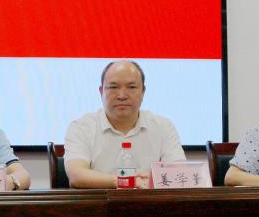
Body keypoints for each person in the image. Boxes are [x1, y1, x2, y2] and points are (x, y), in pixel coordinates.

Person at [64, 60, 185, 189]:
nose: (122, 96)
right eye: (113, 87)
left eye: (131, 87)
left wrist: (151, 180)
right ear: (101, 91)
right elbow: (76, 176)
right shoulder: (81, 127)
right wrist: (123, 181)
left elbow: (180, 174)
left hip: (149, 200)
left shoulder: (163, 126)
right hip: (99, 201)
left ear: (143, 91)